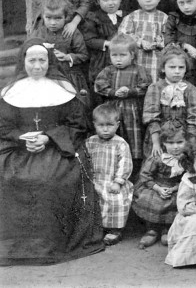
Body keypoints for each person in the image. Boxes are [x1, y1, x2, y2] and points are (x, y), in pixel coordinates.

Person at [0, 38, 103, 265]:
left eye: (42, 60)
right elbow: (4, 126)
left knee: (50, 180)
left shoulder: (63, 90)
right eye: (32, 60)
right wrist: (22, 138)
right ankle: (12, 244)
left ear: (49, 61)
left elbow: (77, 125)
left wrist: (48, 137)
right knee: (7, 177)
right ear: (23, 61)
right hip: (19, 148)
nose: (37, 66)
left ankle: (52, 243)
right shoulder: (10, 92)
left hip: (57, 146)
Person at [94, 33, 152, 163]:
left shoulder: (139, 70)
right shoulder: (108, 70)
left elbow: (146, 86)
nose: (118, 59)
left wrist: (131, 92)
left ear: (132, 55)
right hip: (113, 109)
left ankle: (135, 166)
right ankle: (114, 162)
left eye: (122, 55)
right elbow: (99, 86)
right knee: (114, 134)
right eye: (114, 55)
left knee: (134, 138)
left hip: (133, 111)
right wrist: (113, 92)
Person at [133, 120, 187, 248]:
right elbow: (145, 175)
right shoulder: (158, 157)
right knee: (151, 200)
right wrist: (157, 188)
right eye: (171, 143)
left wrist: (175, 188)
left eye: (179, 142)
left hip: (176, 186)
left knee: (175, 201)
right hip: (156, 185)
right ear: (163, 143)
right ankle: (152, 230)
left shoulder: (186, 159)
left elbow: (188, 177)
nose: (175, 147)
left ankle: (167, 229)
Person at [143, 45, 196, 157]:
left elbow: (195, 118)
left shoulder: (191, 90)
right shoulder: (155, 88)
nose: (177, 71)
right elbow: (151, 116)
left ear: (186, 69)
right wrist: (156, 143)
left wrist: (189, 144)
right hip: (160, 136)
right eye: (172, 67)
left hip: (184, 138)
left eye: (181, 67)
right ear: (163, 68)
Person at [86, 103, 133, 246]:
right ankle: (97, 228)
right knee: (94, 202)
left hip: (113, 181)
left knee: (116, 202)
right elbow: (85, 160)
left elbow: (125, 163)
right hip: (96, 180)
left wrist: (118, 181)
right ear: (94, 124)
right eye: (101, 125)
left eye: (110, 125)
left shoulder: (120, 143)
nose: (105, 129)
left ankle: (114, 230)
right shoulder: (90, 141)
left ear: (117, 125)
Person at [30, 0, 90, 98]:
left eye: (58, 18)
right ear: (43, 16)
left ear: (66, 17)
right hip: (46, 77)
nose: (53, 23)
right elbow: (29, 52)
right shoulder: (39, 33)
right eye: (48, 18)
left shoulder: (72, 32)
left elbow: (84, 55)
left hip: (69, 76)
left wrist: (67, 57)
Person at [118, 0, 169, 83]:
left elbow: (170, 37)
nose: (148, 0)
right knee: (138, 84)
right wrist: (140, 42)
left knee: (155, 87)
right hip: (137, 60)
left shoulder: (164, 18)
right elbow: (123, 36)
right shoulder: (132, 17)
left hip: (157, 61)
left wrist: (159, 42)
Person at [82, 0, 124, 98]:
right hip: (102, 59)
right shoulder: (93, 18)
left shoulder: (126, 16)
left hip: (122, 57)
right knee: (103, 86)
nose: (110, 3)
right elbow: (88, 39)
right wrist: (107, 43)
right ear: (97, 0)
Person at [164, 0, 196, 90]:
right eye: (181, 3)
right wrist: (186, 47)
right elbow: (168, 42)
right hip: (180, 65)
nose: (186, 7)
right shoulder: (173, 18)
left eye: (189, 2)